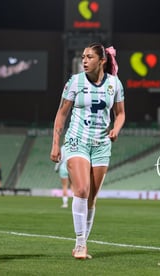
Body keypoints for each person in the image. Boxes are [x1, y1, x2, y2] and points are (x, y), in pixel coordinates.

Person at [50, 42, 125, 259]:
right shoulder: (75, 81)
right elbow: (61, 114)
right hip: (76, 141)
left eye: (89, 57)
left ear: (102, 61)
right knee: (81, 190)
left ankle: (80, 244)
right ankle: (81, 244)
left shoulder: (115, 84)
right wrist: (56, 143)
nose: (84, 60)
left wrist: (116, 129)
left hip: (102, 145)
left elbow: (120, 114)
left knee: (91, 198)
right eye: (83, 56)